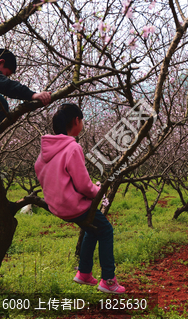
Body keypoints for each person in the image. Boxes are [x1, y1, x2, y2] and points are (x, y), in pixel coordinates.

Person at [34, 103, 126, 294]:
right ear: (76, 121)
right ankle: (108, 280)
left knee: (91, 229)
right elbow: (83, 185)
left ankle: (84, 273)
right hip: (72, 206)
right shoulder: (72, 147)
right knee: (106, 230)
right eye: (82, 120)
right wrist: (97, 191)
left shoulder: (45, 151)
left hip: (56, 205)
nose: (82, 123)